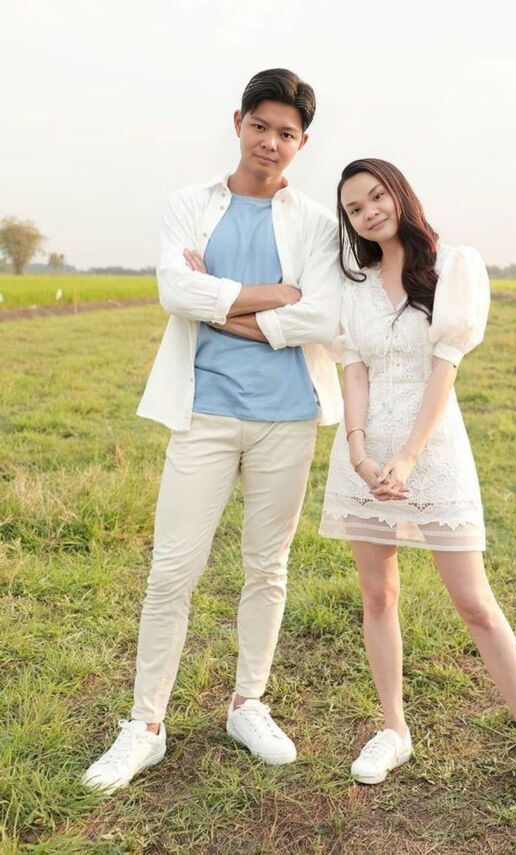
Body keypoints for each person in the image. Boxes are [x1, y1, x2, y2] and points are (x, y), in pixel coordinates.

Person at [82, 68, 343, 793]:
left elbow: (322, 314)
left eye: (286, 133)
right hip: (204, 413)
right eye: (260, 126)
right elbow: (176, 290)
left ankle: (247, 704)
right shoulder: (189, 205)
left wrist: (222, 306)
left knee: (268, 566)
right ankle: (145, 725)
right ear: (238, 123)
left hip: (287, 416)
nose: (270, 142)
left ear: (302, 142)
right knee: (173, 569)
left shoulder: (317, 223)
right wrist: (273, 296)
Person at [319, 158, 516, 823]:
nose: (369, 212)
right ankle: (394, 728)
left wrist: (408, 457)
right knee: (377, 594)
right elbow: (353, 372)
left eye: (376, 196)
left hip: (432, 452)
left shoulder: (452, 266)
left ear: (399, 194)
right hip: (366, 459)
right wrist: (358, 453)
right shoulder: (354, 287)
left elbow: (444, 371)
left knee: (475, 602)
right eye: (354, 208)